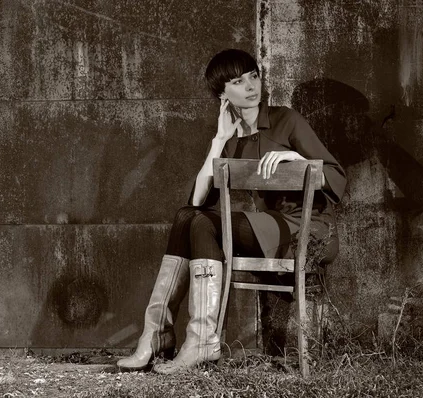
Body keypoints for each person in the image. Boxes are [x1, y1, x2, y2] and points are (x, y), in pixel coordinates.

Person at [116, 49, 347, 374]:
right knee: (188, 217)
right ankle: (156, 335)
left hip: (306, 230)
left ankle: (198, 340)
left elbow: (337, 177)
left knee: (200, 224)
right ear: (223, 94)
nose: (251, 86)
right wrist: (219, 140)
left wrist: (297, 160)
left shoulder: (286, 120)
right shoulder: (232, 138)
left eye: (253, 76)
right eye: (238, 82)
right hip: (268, 227)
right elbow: (196, 202)